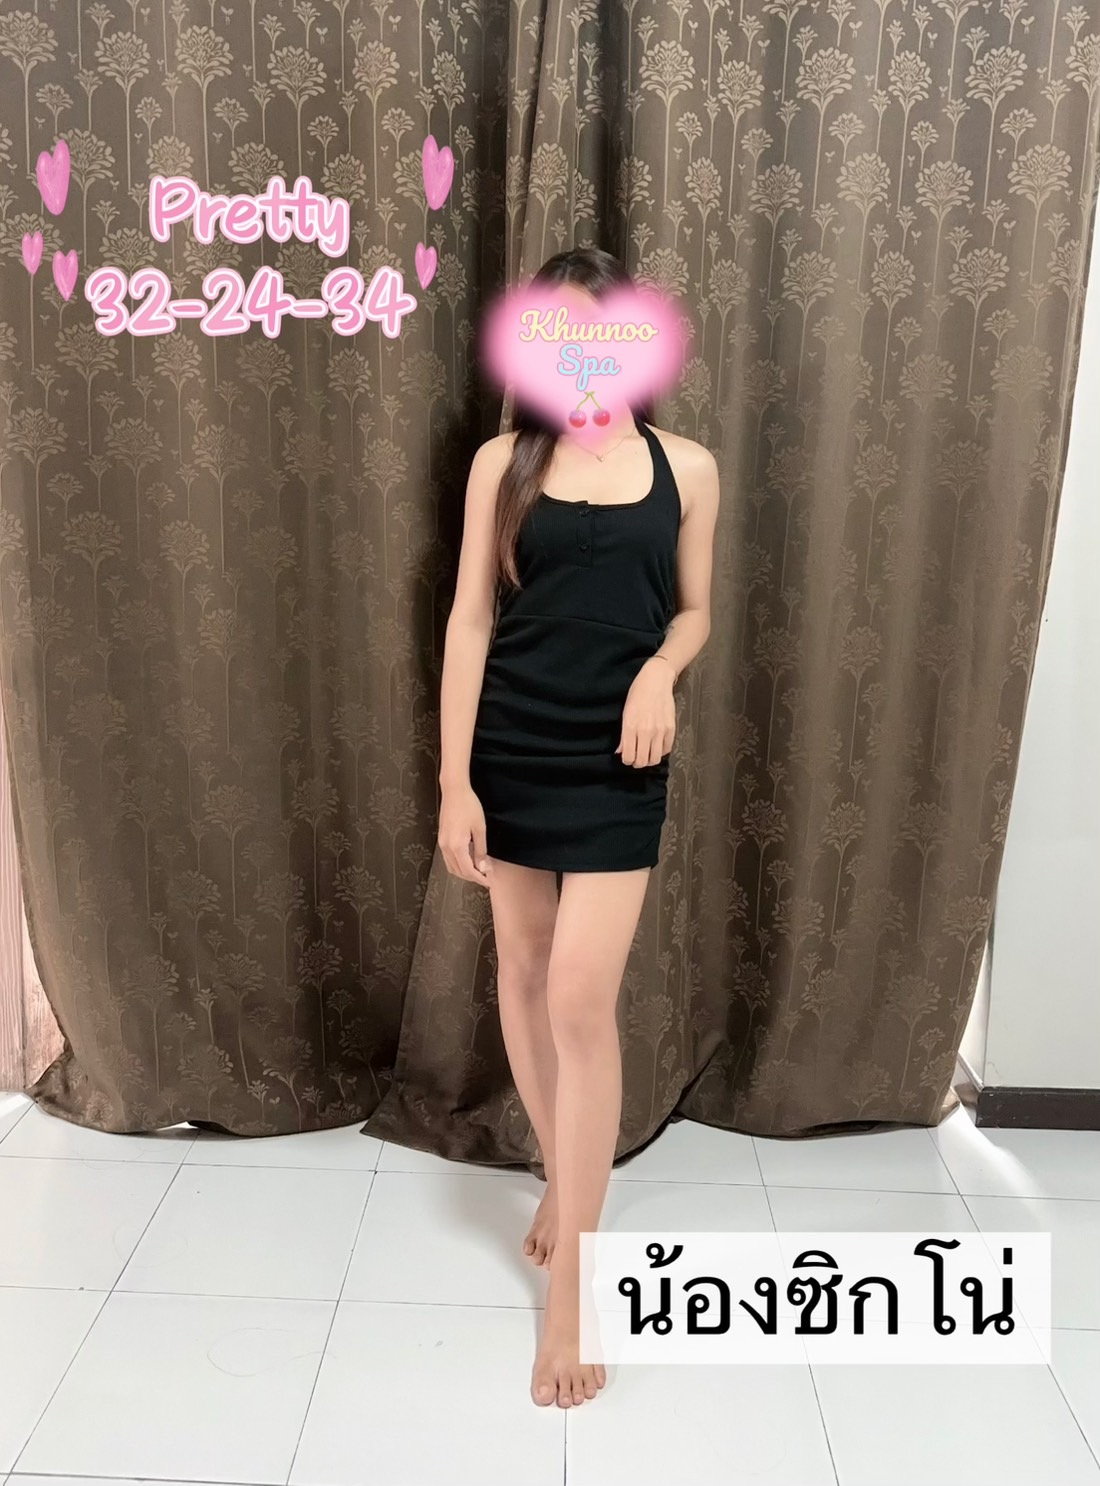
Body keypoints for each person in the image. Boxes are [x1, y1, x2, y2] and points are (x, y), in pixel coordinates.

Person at [436, 247, 719, 1408]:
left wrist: (658, 673)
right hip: (511, 743)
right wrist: (453, 783)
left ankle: (572, 1294)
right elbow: (467, 622)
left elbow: (695, 610)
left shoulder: (686, 467)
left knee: (578, 999)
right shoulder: (500, 464)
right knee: (521, 969)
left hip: (618, 760)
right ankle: (562, 1174)